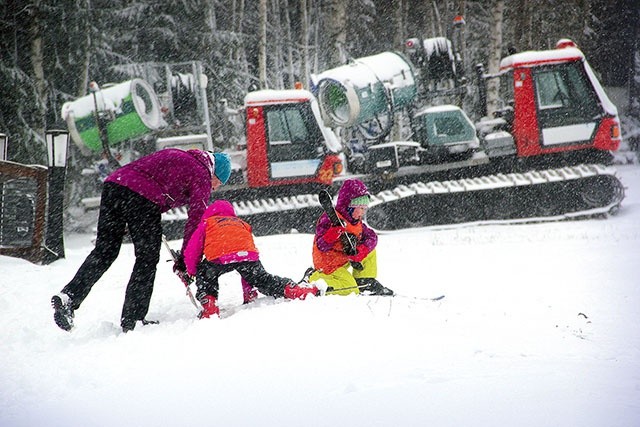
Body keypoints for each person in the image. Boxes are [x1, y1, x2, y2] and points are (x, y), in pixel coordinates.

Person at [51, 148, 232, 333]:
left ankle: (69, 298)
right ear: (215, 173)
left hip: (115, 186)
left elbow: (152, 177)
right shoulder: (202, 173)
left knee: (104, 252)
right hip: (142, 197)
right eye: (218, 182)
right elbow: (196, 220)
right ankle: (133, 319)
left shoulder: (183, 157)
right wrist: (186, 260)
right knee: (147, 258)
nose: (215, 188)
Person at [183, 200, 317, 318]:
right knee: (261, 278)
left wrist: (193, 271)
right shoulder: (241, 223)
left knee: (206, 275)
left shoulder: (207, 223)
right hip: (248, 256)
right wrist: (249, 294)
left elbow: (192, 252)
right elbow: (246, 253)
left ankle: (210, 307)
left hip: (219, 257)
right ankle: (293, 290)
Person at [311, 179, 393, 296]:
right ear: (349, 206)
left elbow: (372, 237)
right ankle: (317, 281)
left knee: (370, 253)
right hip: (329, 266)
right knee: (351, 289)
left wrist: (361, 250)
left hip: (343, 260)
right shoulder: (328, 219)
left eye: (365, 208)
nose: (363, 212)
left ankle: (365, 282)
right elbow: (321, 246)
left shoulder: (356, 222)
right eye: (361, 208)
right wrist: (333, 233)